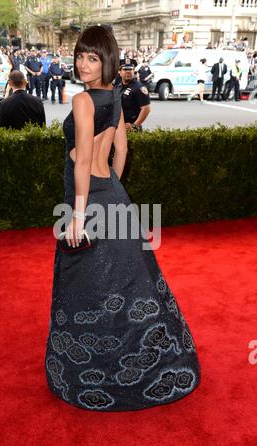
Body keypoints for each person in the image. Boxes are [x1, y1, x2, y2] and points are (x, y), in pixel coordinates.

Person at [45, 25, 200, 411]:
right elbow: (122, 150)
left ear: (107, 59)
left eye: (92, 57)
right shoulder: (114, 95)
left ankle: (96, 368)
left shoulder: (83, 101)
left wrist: (79, 213)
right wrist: (112, 185)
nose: (83, 64)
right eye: (80, 55)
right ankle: (152, 357)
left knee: (88, 283)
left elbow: (81, 160)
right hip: (114, 196)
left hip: (86, 199)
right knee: (131, 281)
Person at [116, 58, 150, 132]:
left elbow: (146, 109)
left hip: (131, 130)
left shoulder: (139, 87)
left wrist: (134, 126)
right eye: (125, 69)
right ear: (119, 72)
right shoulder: (118, 87)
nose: (128, 72)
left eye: (130, 69)